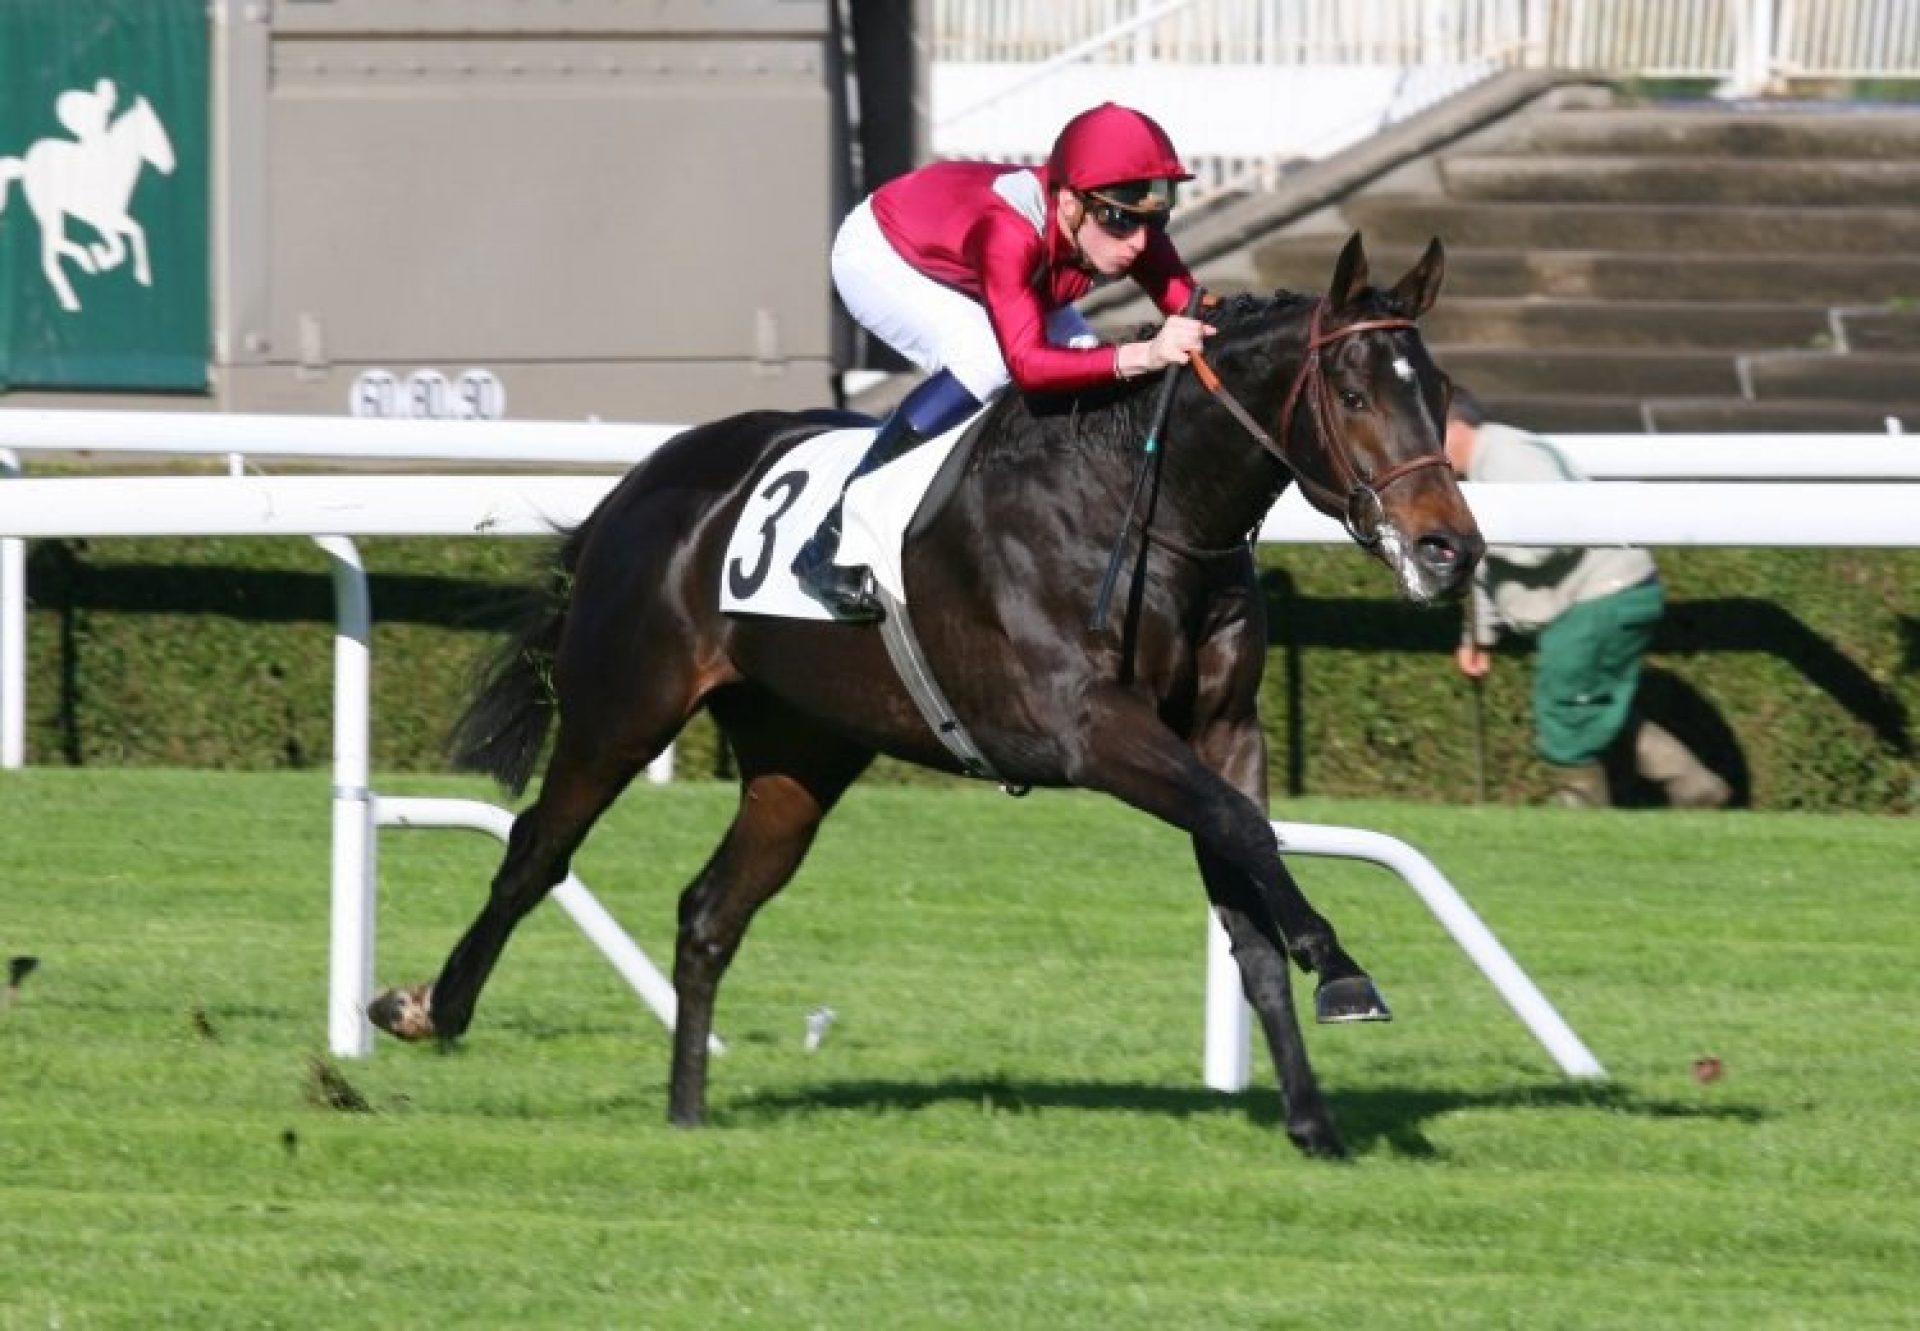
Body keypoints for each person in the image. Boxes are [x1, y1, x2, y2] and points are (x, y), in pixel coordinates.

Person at [792, 101, 1216, 622]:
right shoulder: (1006, 231)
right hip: (883, 253)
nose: (1139, 243)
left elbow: (1201, 312)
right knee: (986, 363)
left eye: (1154, 220)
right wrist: (1143, 354)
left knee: (1086, 363)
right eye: (1120, 222)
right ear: (1067, 204)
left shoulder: (1111, 217)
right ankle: (829, 541)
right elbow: (1028, 367)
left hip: (993, 264)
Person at [1445, 387, 1730, 809]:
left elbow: (1552, 535)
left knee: (1564, 703)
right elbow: (1489, 566)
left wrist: (1473, 544)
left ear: (1454, 428)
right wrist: (1480, 637)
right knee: (1593, 707)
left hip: (1602, 596)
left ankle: (1578, 805)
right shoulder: (1490, 462)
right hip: (1604, 595)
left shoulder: (1510, 457)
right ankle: (1695, 789)